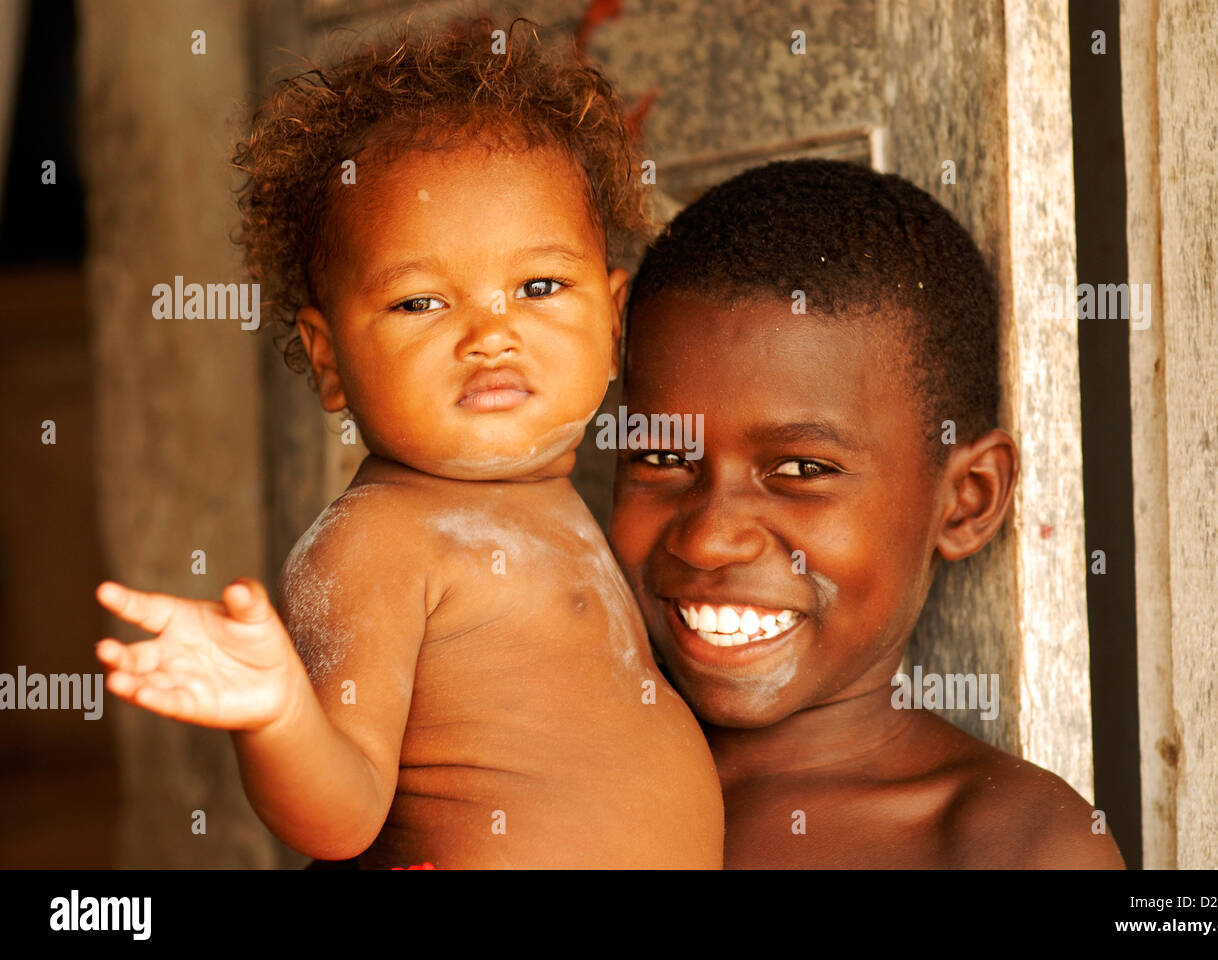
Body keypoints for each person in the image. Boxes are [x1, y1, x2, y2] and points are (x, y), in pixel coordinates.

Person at [93, 19, 723, 869]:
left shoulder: (557, 502)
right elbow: (342, 817)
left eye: (538, 286)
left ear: (613, 322)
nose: (490, 335)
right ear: (330, 364)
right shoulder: (375, 541)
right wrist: (279, 717)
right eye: (420, 303)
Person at [609, 159, 1125, 868]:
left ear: (966, 499)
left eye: (802, 471)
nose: (707, 538)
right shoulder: (525, 765)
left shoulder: (1009, 846)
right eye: (664, 459)